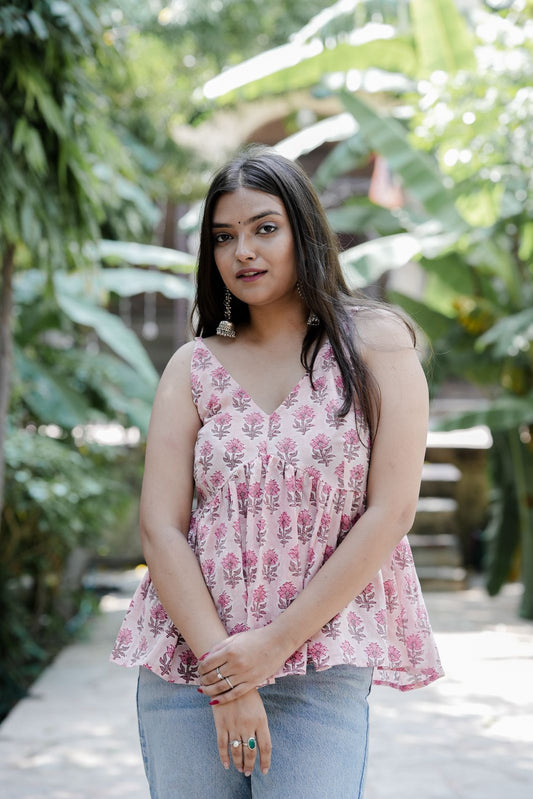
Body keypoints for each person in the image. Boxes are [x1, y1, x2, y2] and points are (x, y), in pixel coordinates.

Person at [111, 146, 443, 798]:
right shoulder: (192, 366)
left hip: (317, 665)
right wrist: (225, 672)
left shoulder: (376, 344)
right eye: (223, 237)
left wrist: (268, 649)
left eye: (264, 228)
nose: (243, 252)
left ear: (303, 231)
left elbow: (389, 512)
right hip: (188, 668)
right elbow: (161, 529)